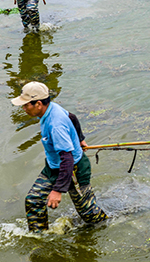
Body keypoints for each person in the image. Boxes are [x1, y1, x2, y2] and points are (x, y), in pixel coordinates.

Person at [11, 82, 108, 232]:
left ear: (38, 104)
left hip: (73, 170)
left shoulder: (55, 124)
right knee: (34, 200)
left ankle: (108, 226)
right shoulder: (51, 108)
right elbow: (72, 117)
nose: (23, 108)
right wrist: (80, 138)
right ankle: (39, 237)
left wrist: (57, 190)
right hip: (54, 166)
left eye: (25, 105)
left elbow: (67, 158)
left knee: (90, 215)